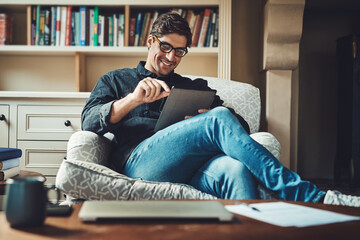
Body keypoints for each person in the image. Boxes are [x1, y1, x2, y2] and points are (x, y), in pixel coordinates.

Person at [81, 12, 360, 206]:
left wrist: (202, 120)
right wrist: (133, 99)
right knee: (218, 120)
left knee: (235, 169)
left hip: (193, 166)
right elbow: (89, 122)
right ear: (150, 41)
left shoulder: (192, 87)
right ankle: (309, 196)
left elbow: (239, 125)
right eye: (165, 47)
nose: (171, 57)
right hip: (141, 164)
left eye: (180, 51)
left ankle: (247, 232)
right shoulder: (116, 80)